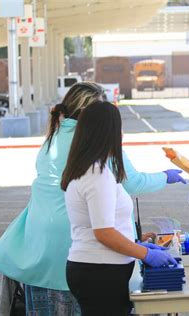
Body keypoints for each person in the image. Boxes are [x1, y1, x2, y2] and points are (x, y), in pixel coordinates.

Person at [0, 82, 185, 315]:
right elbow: (129, 185)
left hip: (39, 242)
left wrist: (137, 244)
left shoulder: (54, 137)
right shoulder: (96, 160)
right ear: (96, 120)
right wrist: (165, 177)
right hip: (85, 250)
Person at [62, 101, 177, 315]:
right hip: (100, 271)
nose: (122, 134)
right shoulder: (97, 174)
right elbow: (104, 232)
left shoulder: (92, 168)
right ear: (109, 132)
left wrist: (137, 244)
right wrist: (144, 253)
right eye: (120, 127)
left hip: (97, 268)